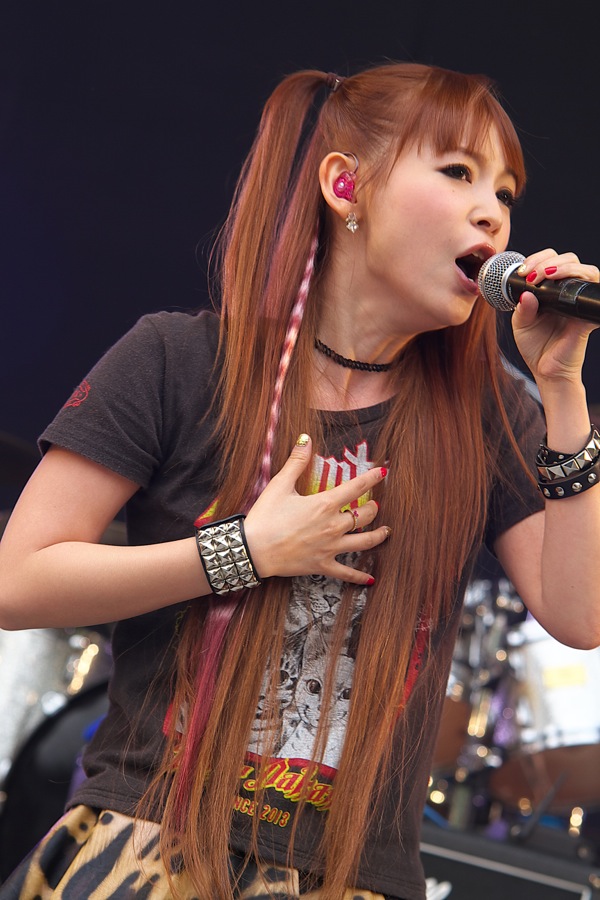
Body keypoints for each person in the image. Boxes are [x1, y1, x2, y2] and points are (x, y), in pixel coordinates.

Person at [0, 62, 599, 900]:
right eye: (458, 171)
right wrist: (244, 550)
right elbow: (18, 581)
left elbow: (581, 615)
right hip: (153, 846)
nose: (492, 212)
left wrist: (563, 389)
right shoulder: (179, 361)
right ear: (345, 185)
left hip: (349, 876)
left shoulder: (494, 417)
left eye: (505, 192)